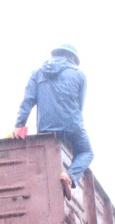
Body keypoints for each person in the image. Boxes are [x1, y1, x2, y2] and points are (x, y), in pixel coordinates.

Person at [12, 44, 94, 199]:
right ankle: (69, 176)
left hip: (46, 128)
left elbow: (27, 101)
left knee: (45, 157)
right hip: (72, 125)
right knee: (86, 152)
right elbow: (79, 106)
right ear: (72, 58)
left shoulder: (37, 73)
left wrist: (19, 126)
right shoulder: (79, 75)